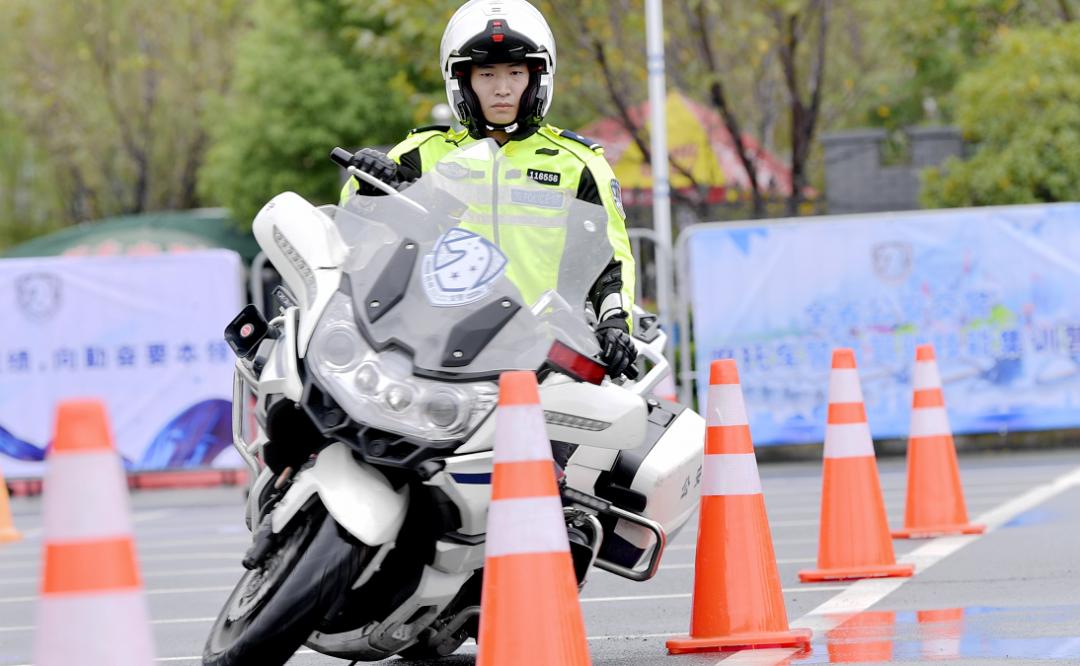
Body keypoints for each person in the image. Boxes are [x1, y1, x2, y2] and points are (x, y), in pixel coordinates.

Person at [340, 0, 637, 378]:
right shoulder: (419, 154)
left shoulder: (577, 162)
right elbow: (353, 236)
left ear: (537, 77)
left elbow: (610, 260)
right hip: (431, 351)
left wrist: (614, 323)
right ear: (463, 80)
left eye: (515, 72)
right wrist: (367, 189)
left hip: (543, 353)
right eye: (487, 74)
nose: (502, 88)